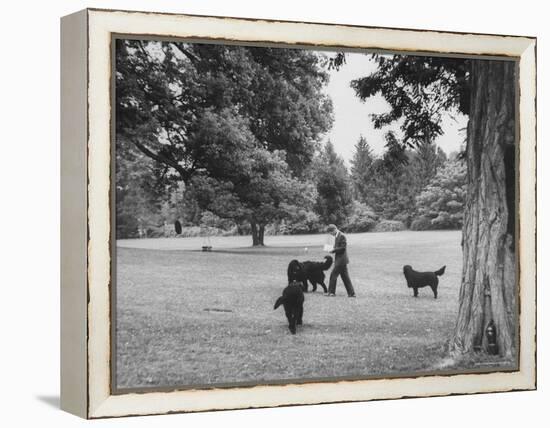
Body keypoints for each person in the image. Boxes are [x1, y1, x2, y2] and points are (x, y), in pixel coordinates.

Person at [326, 224, 356, 297]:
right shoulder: (337, 235)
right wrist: (331, 248)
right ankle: (351, 293)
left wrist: (333, 250)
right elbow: (338, 246)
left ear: (334, 230)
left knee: (333, 275)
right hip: (341, 260)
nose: (330, 234)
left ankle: (331, 292)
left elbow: (343, 248)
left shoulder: (341, 235)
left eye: (330, 233)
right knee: (345, 277)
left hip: (341, 260)